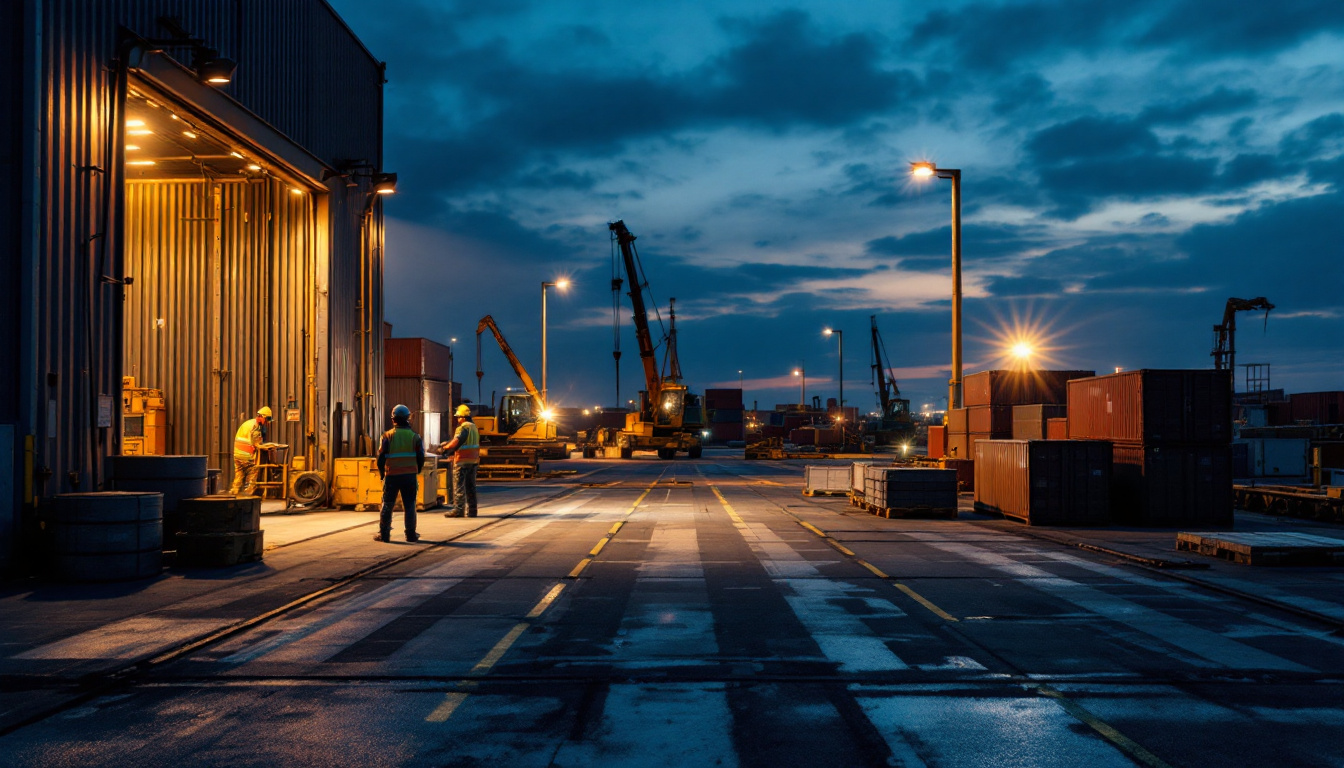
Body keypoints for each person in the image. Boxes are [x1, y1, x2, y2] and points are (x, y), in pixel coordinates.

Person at [375, 404, 426, 542]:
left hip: (391, 476)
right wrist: (418, 469)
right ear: (408, 419)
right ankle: (410, 534)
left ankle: (384, 535)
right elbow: (421, 456)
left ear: (393, 419)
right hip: (409, 476)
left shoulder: (387, 436)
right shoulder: (415, 437)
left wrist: (381, 473)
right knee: (409, 505)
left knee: (387, 504)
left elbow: (381, 457)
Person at [439, 404, 480, 518]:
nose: (457, 419)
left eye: (458, 417)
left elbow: (457, 441)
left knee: (459, 486)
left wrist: (445, 448)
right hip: (473, 461)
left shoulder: (463, 427)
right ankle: (472, 510)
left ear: (463, 417)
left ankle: (459, 510)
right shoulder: (474, 427)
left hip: (462, 461)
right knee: (471, 486)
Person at [230, 406, 272, 496]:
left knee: (239, 475)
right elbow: (256, 444)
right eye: (267, 419)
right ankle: (248, 496)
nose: (267, 422)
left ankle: (234, 494)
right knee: (253, 474)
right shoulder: (256, 426)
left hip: (237, 454)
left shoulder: (248, 423)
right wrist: (267, 446)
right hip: (247, 455)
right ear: (261, 417)